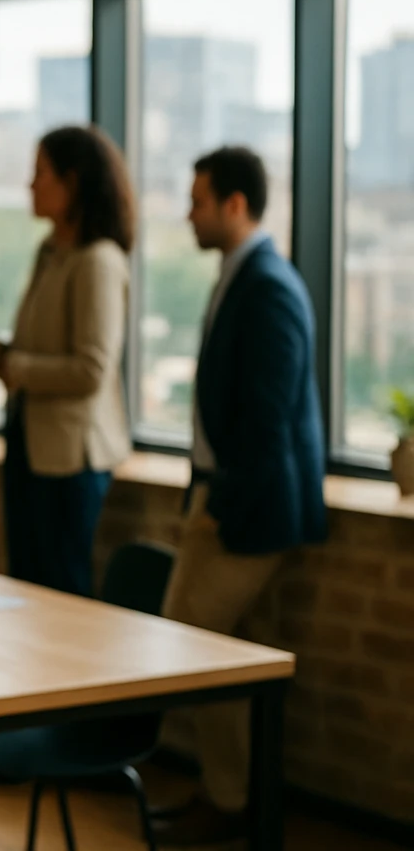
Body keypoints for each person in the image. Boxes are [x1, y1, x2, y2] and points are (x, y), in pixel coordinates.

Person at [153, 146, 326, 846]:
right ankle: (225, 795)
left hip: (252, 514)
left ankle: (231, 803)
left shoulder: (270, 286)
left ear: (234, 203)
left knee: (198, 647)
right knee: (205, 644)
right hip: (222, 502)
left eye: (197, 200)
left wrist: (221, 507)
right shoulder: (240, 276)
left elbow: (268, 417)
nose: (187, 213)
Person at [0, 125, 134, 597]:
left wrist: (18, 367)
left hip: (70, 458)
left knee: (62, 587)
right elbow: (42, 345)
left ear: (73, 182)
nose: (30, 185)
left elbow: (91, 370)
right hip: (31, 444)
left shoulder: (98, 261)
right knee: (27, 583)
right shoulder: (51, 252)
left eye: (40, 173)